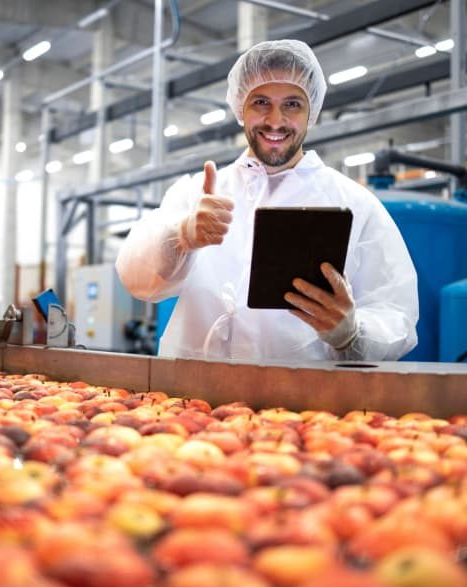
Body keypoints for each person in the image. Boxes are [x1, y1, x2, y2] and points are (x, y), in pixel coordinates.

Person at [115, 39, 418, 362]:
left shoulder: (356, 205)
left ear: (311, 112)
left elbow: (396, 312)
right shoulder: (200, 193)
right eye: (260, 102)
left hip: (298, 404)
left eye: (292, 104)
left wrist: (352, 333)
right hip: (192, 398)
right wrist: (180, 236)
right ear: (240, 110)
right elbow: (135, 279)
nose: (275, 120)